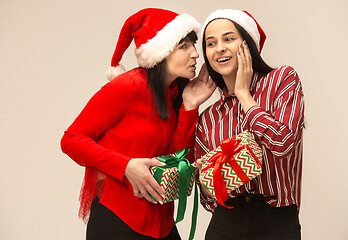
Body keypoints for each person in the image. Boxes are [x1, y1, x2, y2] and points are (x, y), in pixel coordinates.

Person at [61, 8, 215, 240]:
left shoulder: (176, 93)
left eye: (193, 46)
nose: (195, 54)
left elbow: (177, 160)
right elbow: (71, 140)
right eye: (184, 46)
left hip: (161, 223)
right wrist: (126, 167)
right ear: (161, 53)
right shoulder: (128, 86)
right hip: (117, 219)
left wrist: (190, 105)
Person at [195, 9, 304, 240]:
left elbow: (283, 144)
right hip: (226, 222)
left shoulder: (282, 80)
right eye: (210, 43)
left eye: (229, 39)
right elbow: (208, 198)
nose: (220, 48)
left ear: (248, 44)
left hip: (277, 218)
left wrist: (244, 95)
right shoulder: (208, 118)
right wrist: (208, 176)